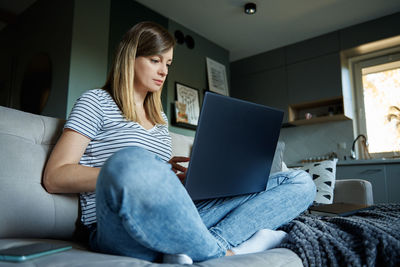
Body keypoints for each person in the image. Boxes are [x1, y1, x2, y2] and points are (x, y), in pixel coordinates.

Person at [43, 21, 316, 264]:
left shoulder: (160, 118)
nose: (163, 71)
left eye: (168, 64)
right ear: (130, 58)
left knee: (301, 182)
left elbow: (165, 183)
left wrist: (178, 179)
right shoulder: (96, 102)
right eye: (155, 60)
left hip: (173, 215)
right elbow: (55, 176)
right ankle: (224, 251)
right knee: (130, 161)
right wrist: (141, 175)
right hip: (113, 224)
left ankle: (204, 245)